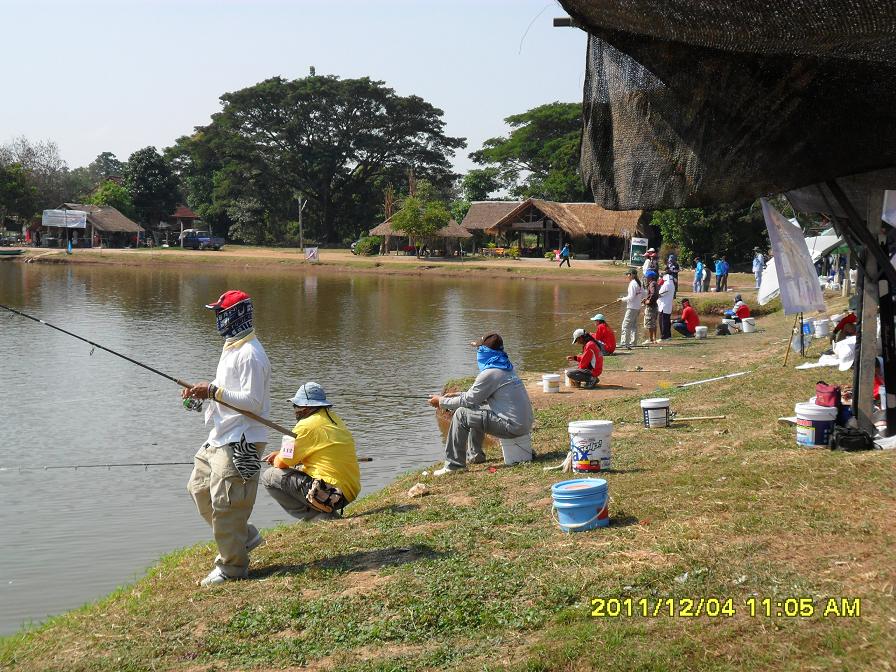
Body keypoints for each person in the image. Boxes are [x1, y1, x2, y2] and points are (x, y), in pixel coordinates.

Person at [183, 290, 272, 587]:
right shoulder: (231, 348)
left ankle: (232, 567)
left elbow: (253, 402)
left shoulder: (251, 354)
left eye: (220, 313)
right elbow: (222, 389)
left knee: (226, 502)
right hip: (220, 434)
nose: (217, 319)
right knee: (198, 488)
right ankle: (243, 536)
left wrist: (213, 391)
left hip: (242, 440)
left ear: (236, 315)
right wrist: (202, 395)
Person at [429, 333, 533, 475]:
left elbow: (469, 400)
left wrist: (440, 401)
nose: (477, 353)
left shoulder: (490, 373)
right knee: (474, 408)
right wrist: (456, 394)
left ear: (486, 352)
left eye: (479, 349)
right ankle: (475, 456)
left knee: (461, 414)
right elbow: (476, 398)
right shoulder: (506, 368)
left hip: (512, 426)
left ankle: (453, 465)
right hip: (523, 424)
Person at [261, 382, 361, 520]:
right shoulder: (334, 419)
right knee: (300, 467)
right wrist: (281, 453)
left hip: (330, 493)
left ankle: (318, 517)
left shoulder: (304, 426)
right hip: (350, 490)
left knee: (269, 476)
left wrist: (278, 456)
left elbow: (281, 463)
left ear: (306, 407)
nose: (295, 409)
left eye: (296, 406)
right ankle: (323, 511)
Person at [619, 268, 643, 349]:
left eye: (628, 274)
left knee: (625, 325)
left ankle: (624, 343)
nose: (627, 276)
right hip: (637, 307)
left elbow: (631, 297)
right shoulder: (639, 283)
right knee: (633, 325)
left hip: (632, 307)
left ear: (632, 275)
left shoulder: (633, 283)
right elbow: (642, 294)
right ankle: (633, 342)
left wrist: (622, 299)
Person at [642, 269, 659, 343]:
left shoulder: (652, 284)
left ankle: (651, 339)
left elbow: (653, 294)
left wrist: (648, 301)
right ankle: (654, 339)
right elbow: (653, 294)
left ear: (650, 277)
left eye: (646, 277)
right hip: (655, 306)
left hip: (651, 307)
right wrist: (646, 299)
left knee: (649, 323)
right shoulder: (655, 283)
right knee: (654, 323)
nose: (645, 278)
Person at [657, 269, 675, 340]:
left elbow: (659, 294)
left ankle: (664, 336)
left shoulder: (667, 284)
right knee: (667, 321)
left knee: (663, 322)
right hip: (667, 305)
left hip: (663, 306)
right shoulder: (671, 283)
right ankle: (668, 336)